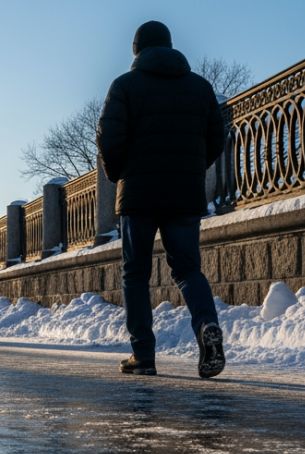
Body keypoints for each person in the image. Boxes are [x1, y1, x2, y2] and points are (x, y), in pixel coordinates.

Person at [97, 20, 226, 378]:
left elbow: (109, 140)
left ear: (137, 50)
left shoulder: (124, 86)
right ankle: (205, 327)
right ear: (169, 47)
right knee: (187, 269)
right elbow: (217, 138)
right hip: (185, 194)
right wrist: (192, 169)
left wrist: (118, 175)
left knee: (136, 273)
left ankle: (143, 356)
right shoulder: (200, 87)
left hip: (137, 195)